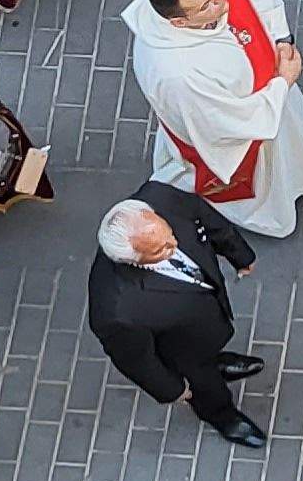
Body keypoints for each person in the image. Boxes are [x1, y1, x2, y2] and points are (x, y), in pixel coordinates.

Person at [126, 0, 303, 238]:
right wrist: (283, 81)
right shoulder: (176, 75)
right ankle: (270, 211)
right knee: (269, 172)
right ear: (179, 22)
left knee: (294, 134)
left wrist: (281, 38)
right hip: (249, 127)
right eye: (208, 5)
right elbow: (224, 124)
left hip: (272, 91)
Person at [88, 186, 274, 448]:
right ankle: (222, 416)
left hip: (203, 318)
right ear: (131, 260)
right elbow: (136, 360)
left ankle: (218, 362)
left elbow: (204, 216)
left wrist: (239, 254)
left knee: (210, 347)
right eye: (159, 250)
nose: (174, 246)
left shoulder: (159, 197)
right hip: (181, 351)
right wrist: (174, 390)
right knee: (205, 386)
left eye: (168, 235)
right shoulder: (116, 312)